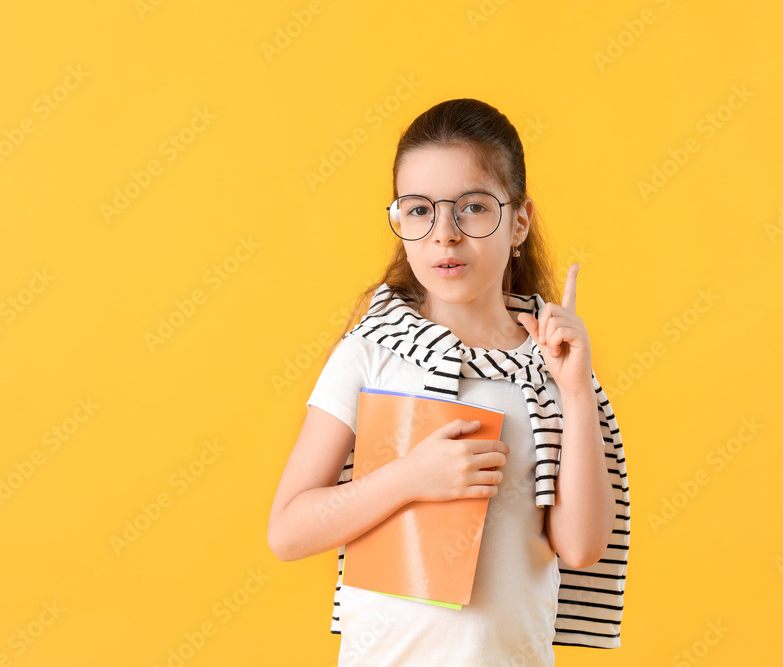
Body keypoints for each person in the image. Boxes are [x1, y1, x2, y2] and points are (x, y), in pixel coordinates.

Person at [267, 98, 628, 665]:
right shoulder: (371, 355)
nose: (445, 236)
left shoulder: (549, 370)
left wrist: (577, 391)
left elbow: (581, 547)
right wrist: (409, 478)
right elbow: (287, 531)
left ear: (520, 222)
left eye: (474, 208)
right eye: (418, 211)